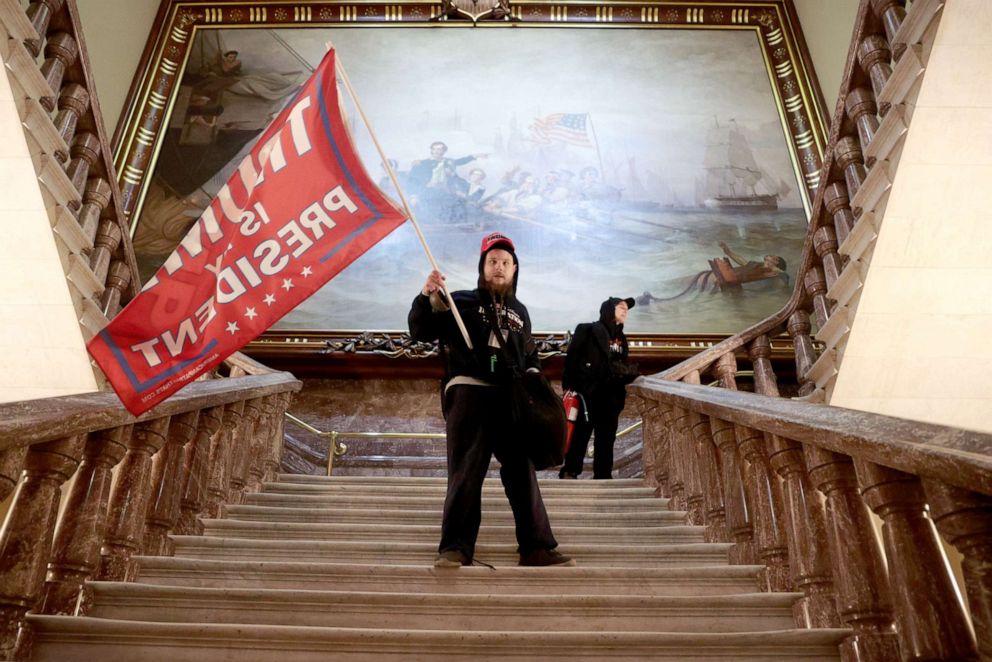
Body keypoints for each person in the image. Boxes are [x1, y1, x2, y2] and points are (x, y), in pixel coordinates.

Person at [408, 232, 575, 568]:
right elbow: (421, 330)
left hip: (511, 399)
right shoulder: (459, 302)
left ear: (514, 269)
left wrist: (532, 377)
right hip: (470, 393)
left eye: (505, 262)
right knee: (466, 471)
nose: (499, 267)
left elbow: (530, 355)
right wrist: (427, 297)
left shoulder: (520, 311)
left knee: (521, 472)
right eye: (492, 261)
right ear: (482, 267)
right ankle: (455, 547)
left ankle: (536, 547)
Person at [559, 297, 639, 479]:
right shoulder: (586, 330)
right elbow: (571, 361)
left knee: (607, 439)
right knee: (580, 436)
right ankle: (570, 472)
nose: (625, 311)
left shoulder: (621, 338)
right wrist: (571, 389)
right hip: (587, 395)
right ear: (608, 309)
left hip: (611, 397)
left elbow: (620, 365)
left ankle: (603, 477)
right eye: (621, 307)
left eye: (627, 309)